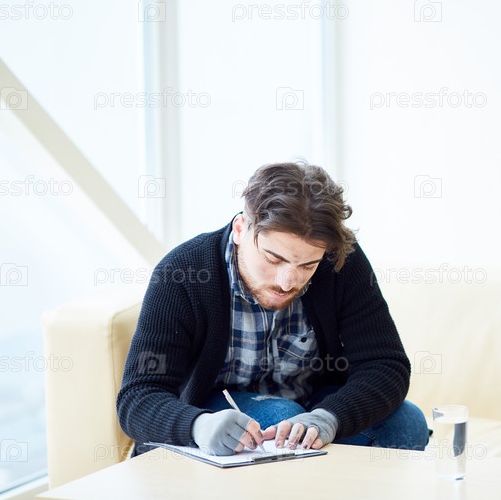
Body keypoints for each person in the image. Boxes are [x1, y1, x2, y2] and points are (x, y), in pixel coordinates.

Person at [117, 162, 429, 456]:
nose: (287, 281)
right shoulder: (183, 272)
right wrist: (198, 426)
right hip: (215, 415)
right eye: (273, 259)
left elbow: (385, 364)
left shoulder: (339, 261)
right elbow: (138, 397)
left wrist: (329, 418)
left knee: (407, 422)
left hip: (310, 406)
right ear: (241, 229)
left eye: (307, 265)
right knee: (281, 415)